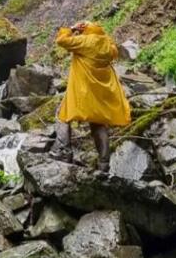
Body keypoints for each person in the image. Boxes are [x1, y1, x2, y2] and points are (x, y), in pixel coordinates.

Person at [54, 21, 131, 171]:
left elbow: (61, 41)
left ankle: (64, 153)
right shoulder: (107, 45)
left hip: (83, 91)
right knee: (98, 124)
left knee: (62, 116)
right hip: (101, 93)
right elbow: (113, 48)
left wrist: (71, 29)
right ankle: (104, 163)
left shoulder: (86, 41)